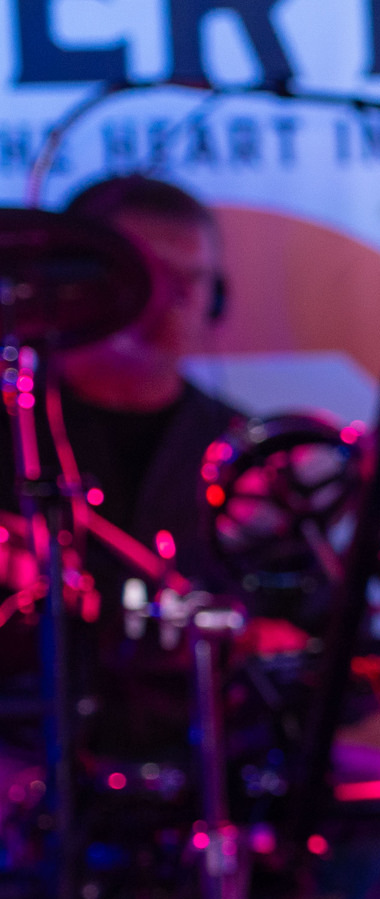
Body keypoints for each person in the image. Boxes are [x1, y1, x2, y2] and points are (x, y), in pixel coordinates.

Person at [50, 173, 239, 592]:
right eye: (156, 273)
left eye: (194, 277)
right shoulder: (19, 434)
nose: (178, 297)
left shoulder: (239, 450)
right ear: (75, 283)